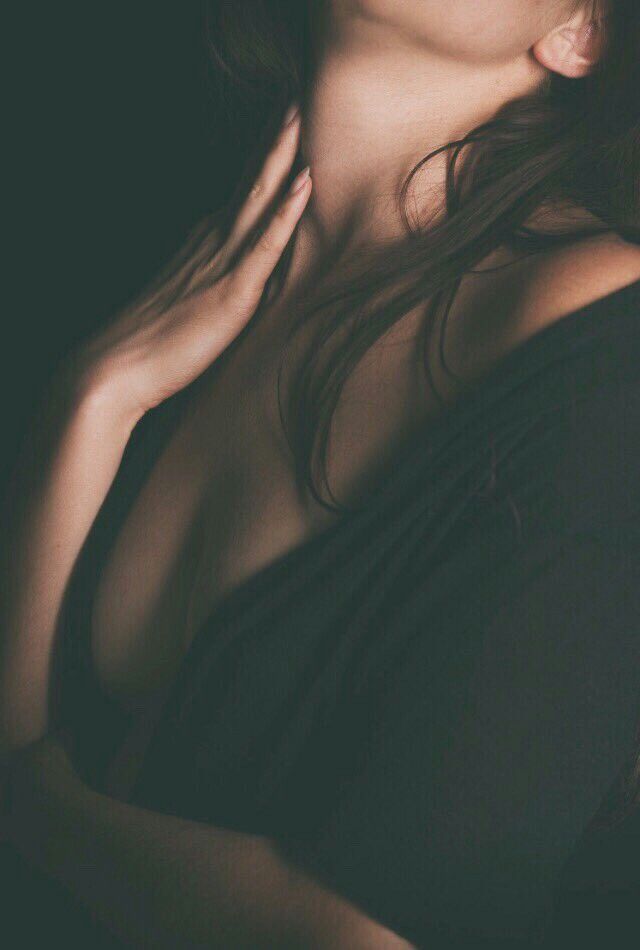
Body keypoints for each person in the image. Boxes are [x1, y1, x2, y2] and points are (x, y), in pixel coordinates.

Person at [1, 1, 639, 946]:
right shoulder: (163, 252)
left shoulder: (609, 359)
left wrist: (35, 819)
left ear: (580, 33)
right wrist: (87, 406)